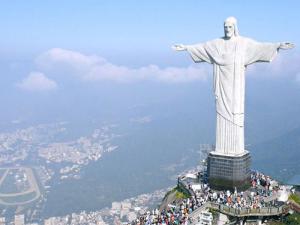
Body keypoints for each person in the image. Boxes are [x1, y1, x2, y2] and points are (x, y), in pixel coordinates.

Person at [173, 17, 294, 155]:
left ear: (235, 28)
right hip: (222, 86)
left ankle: (234, 149)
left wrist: (278, 45)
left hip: (235, 89)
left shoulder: (243, 43)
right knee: (221, 114)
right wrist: (186, 48)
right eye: (225, 27)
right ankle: (222, 150)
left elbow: (260, 47)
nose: (227, 29)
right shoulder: (217, 44)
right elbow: (203, 48)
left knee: (235, 116)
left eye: (230, 27)